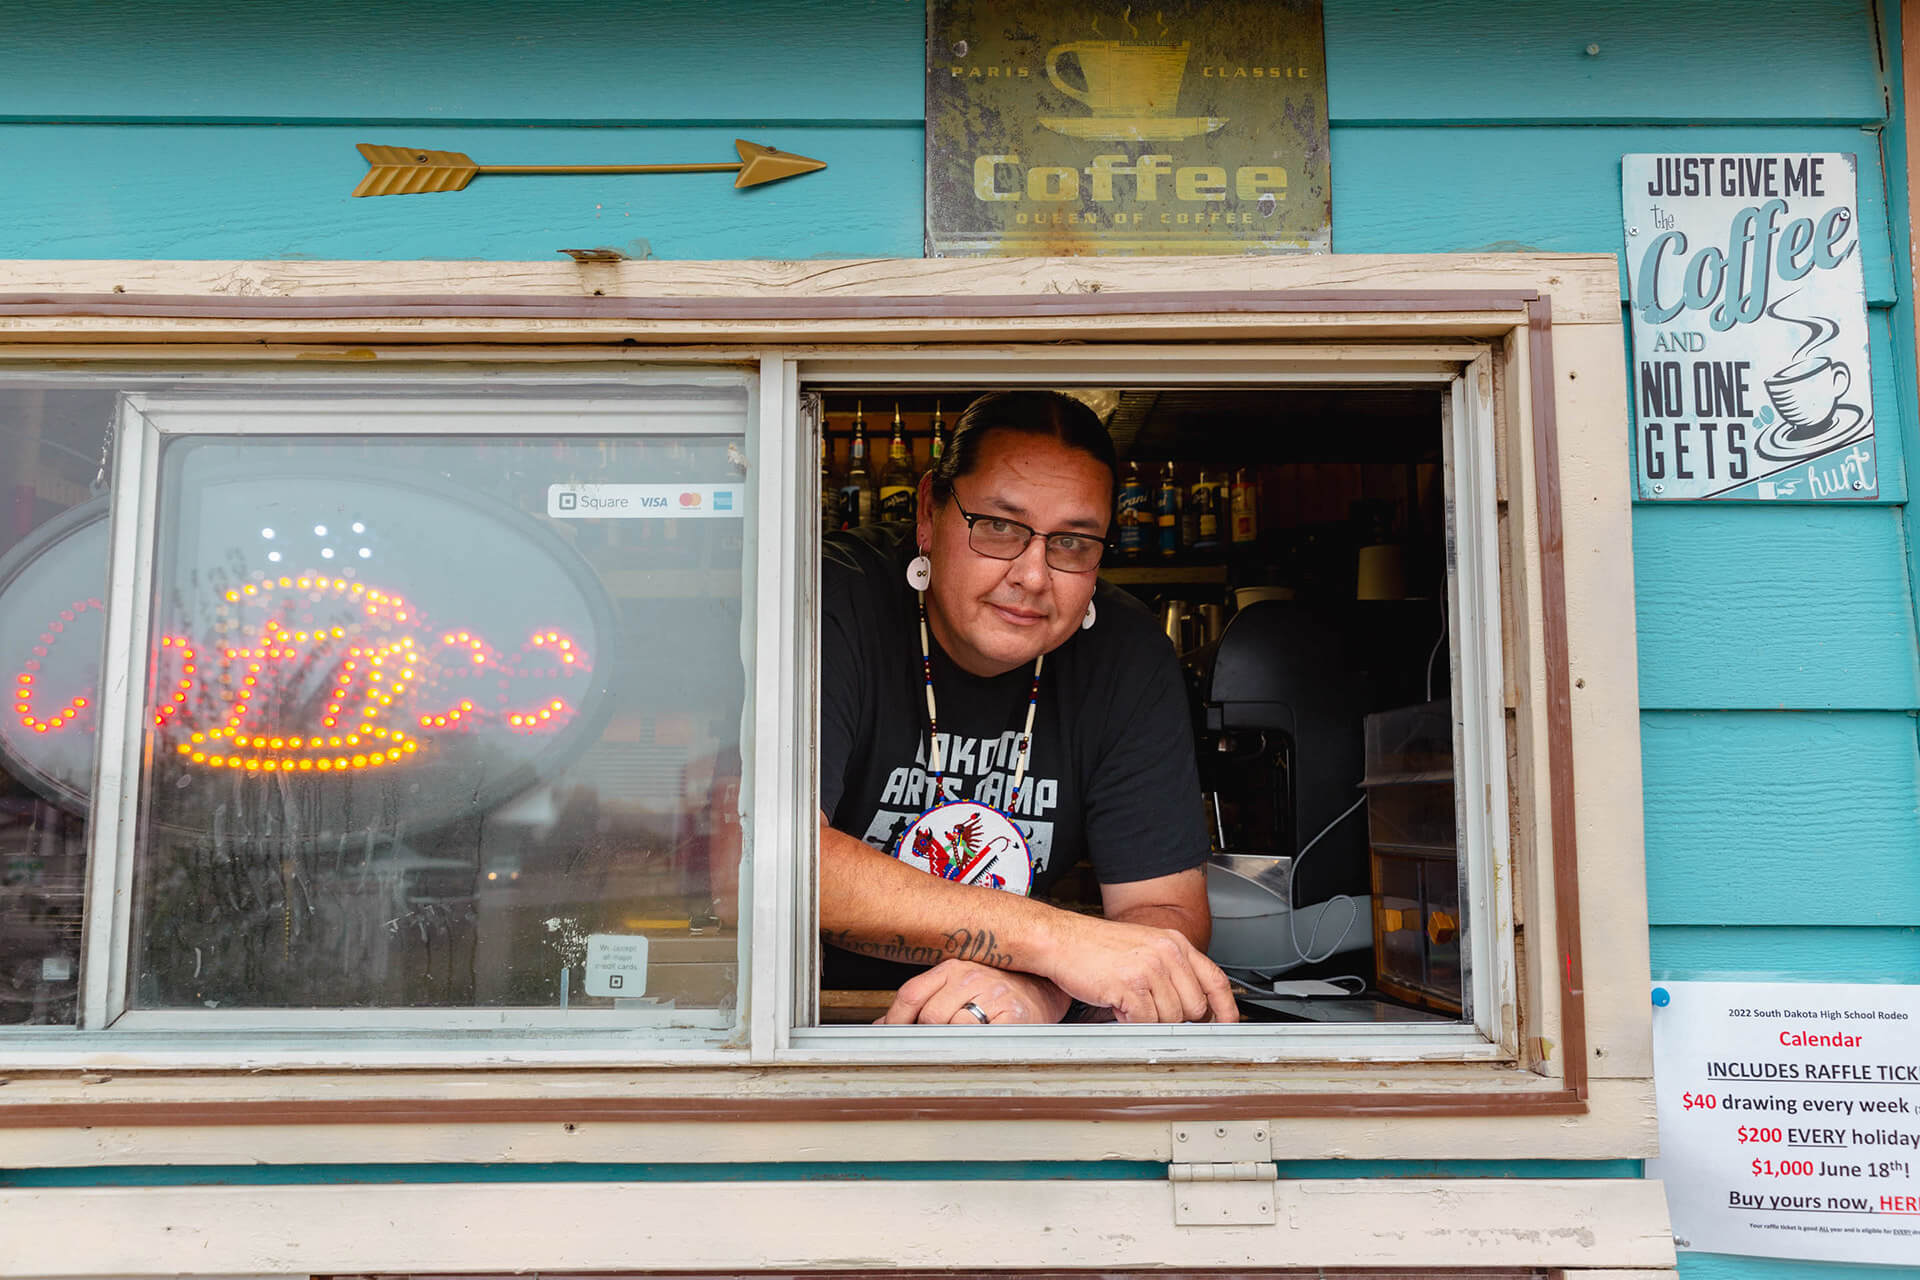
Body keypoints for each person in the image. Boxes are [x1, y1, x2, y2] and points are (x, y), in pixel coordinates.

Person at [819, 390, 1237, 1025]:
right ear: (929, 515)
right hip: (808, 1021)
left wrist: (1044, 991)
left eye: (1073, 542)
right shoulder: (833, 601)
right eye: (999, 526)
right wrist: (1055, 943)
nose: (1034, 575)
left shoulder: (1126, 654)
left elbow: (1166, 911)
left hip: (1020, 1031)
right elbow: (761, 856)